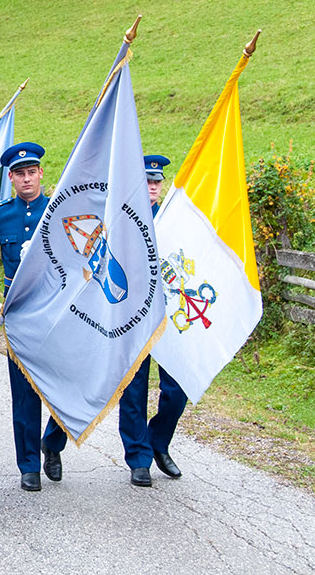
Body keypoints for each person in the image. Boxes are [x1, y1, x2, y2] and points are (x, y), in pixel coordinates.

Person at [0, 142, 67, 492]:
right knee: (24, 394)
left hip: (57, 314)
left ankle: (54, 442)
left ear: (41, 174)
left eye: (32, 172)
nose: (27, 178)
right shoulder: (0, 216)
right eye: (20, 174)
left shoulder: (60, 211)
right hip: (18, 317)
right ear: (12, 179)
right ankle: (28, 463)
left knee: (64, 387)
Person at [118, 154, 189, 483]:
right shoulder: (123, 221)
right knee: (134, 390)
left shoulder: (173, 221)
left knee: (176, 390)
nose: (152, 187)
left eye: (157, 182)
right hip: (134, 315)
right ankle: (138, 457)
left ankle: (159, 442)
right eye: (146, 181)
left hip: (170, 316)